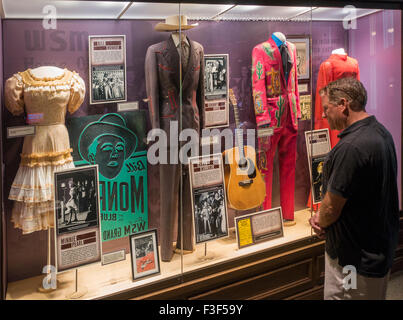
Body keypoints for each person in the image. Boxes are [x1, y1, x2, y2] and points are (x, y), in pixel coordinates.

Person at [309, 77, 399, 300]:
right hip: (376, 252)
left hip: (352, 263)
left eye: (327, 108)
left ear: (343, 104)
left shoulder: (351, 147)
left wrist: (320, 219)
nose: (323, 115)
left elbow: (331, 208)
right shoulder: (381, 133)